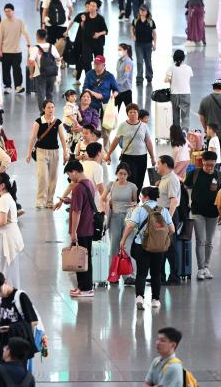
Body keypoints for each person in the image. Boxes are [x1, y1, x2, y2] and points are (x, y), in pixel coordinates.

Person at [119, 186, 173, 309]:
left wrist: (123, 240)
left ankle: (139, 297)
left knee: (141, 273)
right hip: (159, 248)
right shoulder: (163, 210)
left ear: (145, 196)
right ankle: (155, 300)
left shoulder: (139, 209)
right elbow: (172, 229)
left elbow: (130, 226)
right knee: (156, 273)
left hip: (142, 245)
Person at [56, 159, 99, 298]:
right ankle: (83, 287)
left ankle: (86, 289)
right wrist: (68, 200)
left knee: (81, 259)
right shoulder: (89, 184)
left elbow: (77, 212)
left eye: (69, 174)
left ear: (74, 171)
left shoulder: (79, 187)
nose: (69, 177)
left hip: (82, 228)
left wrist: (73, 232)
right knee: (84, 258)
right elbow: (84, 203)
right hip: (89, 227)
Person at [184, 152, 221, 281]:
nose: (209, 167)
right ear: (202, 162)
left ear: (215, 163)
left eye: (211, 165)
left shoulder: (219, 175)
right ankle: (200, 268)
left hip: (213, 213)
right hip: (197, 211)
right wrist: (188, 202)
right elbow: (185, 187)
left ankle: (206, 267)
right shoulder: (195, 174)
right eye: (206, 164)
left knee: (209, 241)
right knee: (201, 240)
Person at [26, 100, 68, 209]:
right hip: (41, 151)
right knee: (43, 176)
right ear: (44, 109)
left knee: (53, 177)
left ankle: (50, 200)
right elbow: (33, 137)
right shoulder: (38, 122)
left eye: (53, 107)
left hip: (55, 152)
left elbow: (62, 138)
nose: (51, 109)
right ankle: (40, 200)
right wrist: (29, 153)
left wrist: (65, 152)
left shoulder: (57, 122)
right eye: (48, 107)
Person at [104, 103, 156, 191]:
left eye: (135, 112)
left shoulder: (144, 126)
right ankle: (130, 198)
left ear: (138, 113)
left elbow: (148, 142)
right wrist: (109, 154)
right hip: (128, 157)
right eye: (130, 112)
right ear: (127, 113)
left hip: (141, 157)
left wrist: (152, 157)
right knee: (131, 178)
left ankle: (136, 200)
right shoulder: (123, 125)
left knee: (140, 179)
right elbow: (116, 141)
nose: (133, 114)